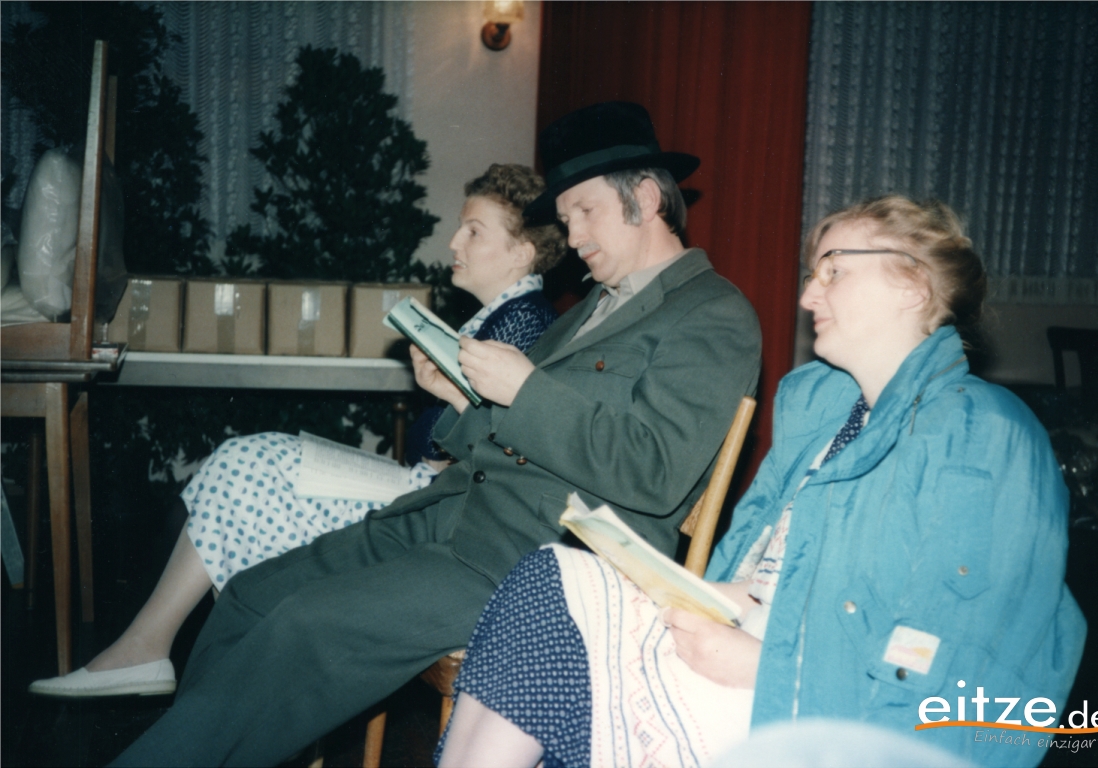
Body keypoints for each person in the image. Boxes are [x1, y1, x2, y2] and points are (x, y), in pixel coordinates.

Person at [107, 100, 762, 766]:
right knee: (254, 594)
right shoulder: (590, 305)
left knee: (304, 627)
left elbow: (656, 472)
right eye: (567, 220)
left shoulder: (712, 313)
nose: (574, 236)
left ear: (645, 198)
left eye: (585, 212)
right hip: (448, 515)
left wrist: (523, 389)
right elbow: (515, 436)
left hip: (535, 558)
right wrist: (462, 398)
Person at [436, 195, 1087, 768]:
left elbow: (943, 658)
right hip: (760, 654)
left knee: (550, 623)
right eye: (812, 275)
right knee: (551, 575)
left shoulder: (981, 433)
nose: (807, 297)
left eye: (834, 271)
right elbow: (776, 576)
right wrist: (706, 596)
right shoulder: (828, 415)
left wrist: (763, 664)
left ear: (913, 285)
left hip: (831, 713)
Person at [29, 163, 564, 698]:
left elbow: (485, 448)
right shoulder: (499, 318)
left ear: (522, 252)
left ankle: (176, 660)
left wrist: (444, 400)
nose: (454, 241)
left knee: (247, 467)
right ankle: (169, 656)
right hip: (427, 489)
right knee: (245, 463)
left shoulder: (524, 322)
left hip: (436, 511)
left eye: (474, 231)